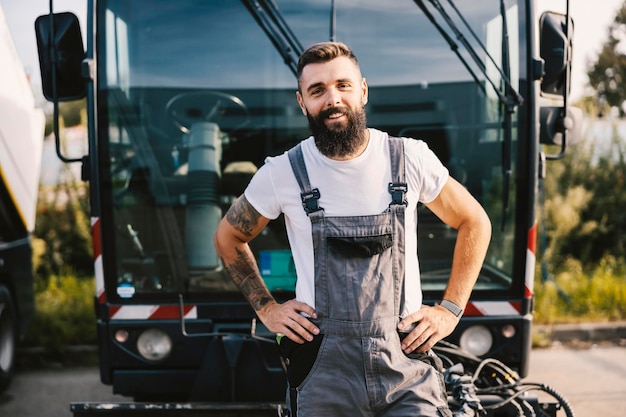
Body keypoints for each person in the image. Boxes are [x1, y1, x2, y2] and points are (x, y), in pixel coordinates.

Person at [214, 41, 492, 417]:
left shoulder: (409, 158)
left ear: (362, 90)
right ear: (302, 102)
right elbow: (228, 237)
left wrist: (450, 310)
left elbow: (473, 221)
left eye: (343, 85)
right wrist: (267, 308)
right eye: (318, 90)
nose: (333, 99)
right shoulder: (283, 173)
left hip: (406, 365)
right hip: (324, 371)